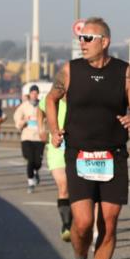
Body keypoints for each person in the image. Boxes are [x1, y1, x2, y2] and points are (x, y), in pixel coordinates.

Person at [45, 17, 130, 259]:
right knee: (82, 222)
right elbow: (51, 99)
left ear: (105, 41)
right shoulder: (70, 70)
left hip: (112, 156)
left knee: (109, 223)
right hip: (78, 155)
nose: (83, 43)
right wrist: (54, 129)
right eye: (80, 38)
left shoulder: (125, 72)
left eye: (89, 38)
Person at [38, 92, 72, 240]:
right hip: (57, 147)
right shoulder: (51, 97)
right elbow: (40, 109)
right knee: (63, 186)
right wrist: (41, 128)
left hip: (79, 147)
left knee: (78, 188)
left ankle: (79, 218)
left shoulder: (82, 93)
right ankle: (67, 224)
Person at [14, 85, 46, 193]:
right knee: (30, 159)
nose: (34, 95)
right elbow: (17, 119)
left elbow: (49, 117)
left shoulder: (42, 105)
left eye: (36, 93)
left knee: (38, 162)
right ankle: (30, 182)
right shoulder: (24, 106)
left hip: (39, 137)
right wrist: (24, 121)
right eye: (32, 93)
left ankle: (36, 172)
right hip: (27, 137)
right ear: (30, 94)